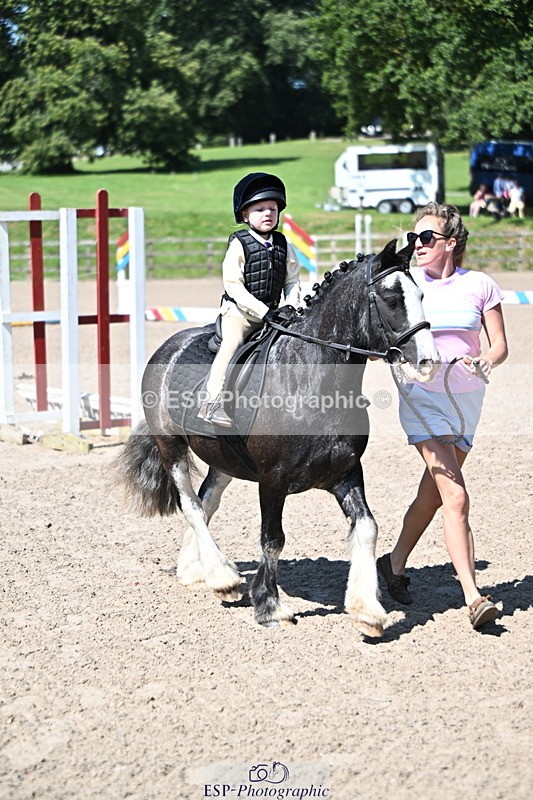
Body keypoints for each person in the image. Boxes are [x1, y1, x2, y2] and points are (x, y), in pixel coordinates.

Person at [377, 202, 508, 629]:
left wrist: (486, 360)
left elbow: (499, 346)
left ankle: (393, 564)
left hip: (467, 401)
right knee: (456, 497)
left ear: (450, 243)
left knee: (433, 495)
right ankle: (473, 596)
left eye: (426, 237)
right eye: (413, 238)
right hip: (422, 398)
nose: (417, 244)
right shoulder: (408, 285)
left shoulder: (481, 285)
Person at [197, 172, 301, 427]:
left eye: (272, 209)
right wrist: (263, 312)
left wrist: (290, 306)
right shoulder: (239, 244)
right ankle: (212, 403)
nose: (268, 214)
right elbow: (234, 286)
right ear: (245, 216)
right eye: (260, 209)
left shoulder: (284, 244)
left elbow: (292, 280)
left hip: (274, 315)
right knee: (231, 345)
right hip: (240, 316)